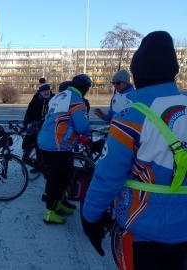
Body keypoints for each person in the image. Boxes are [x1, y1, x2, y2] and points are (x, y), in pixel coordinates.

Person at [82, 31, 187, 270]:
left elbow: (108, 176)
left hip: (141, 228)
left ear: (137, 74)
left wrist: (90, 217)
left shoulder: (131, 116)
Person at [37, 74, 91, 224]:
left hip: (46, 140)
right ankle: (50, 212)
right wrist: (87, 129)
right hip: (58, 145)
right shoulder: (77, 101)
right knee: (57, 179)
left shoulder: (60, 96)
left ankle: (58, 203)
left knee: (61, 176)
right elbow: (83, 127)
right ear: (85, 88)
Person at [21, 83, 54, 164]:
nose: (46, 92)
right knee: (32, 143)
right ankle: (37, 163)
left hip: (48, 127)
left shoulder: (54, 99)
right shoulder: (36, 98)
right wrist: (25, 124)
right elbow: (29, 111)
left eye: (47, 90)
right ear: (40, 92)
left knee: (44, 146)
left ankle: (45, 163)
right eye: (44, 91)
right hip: (35, 126)